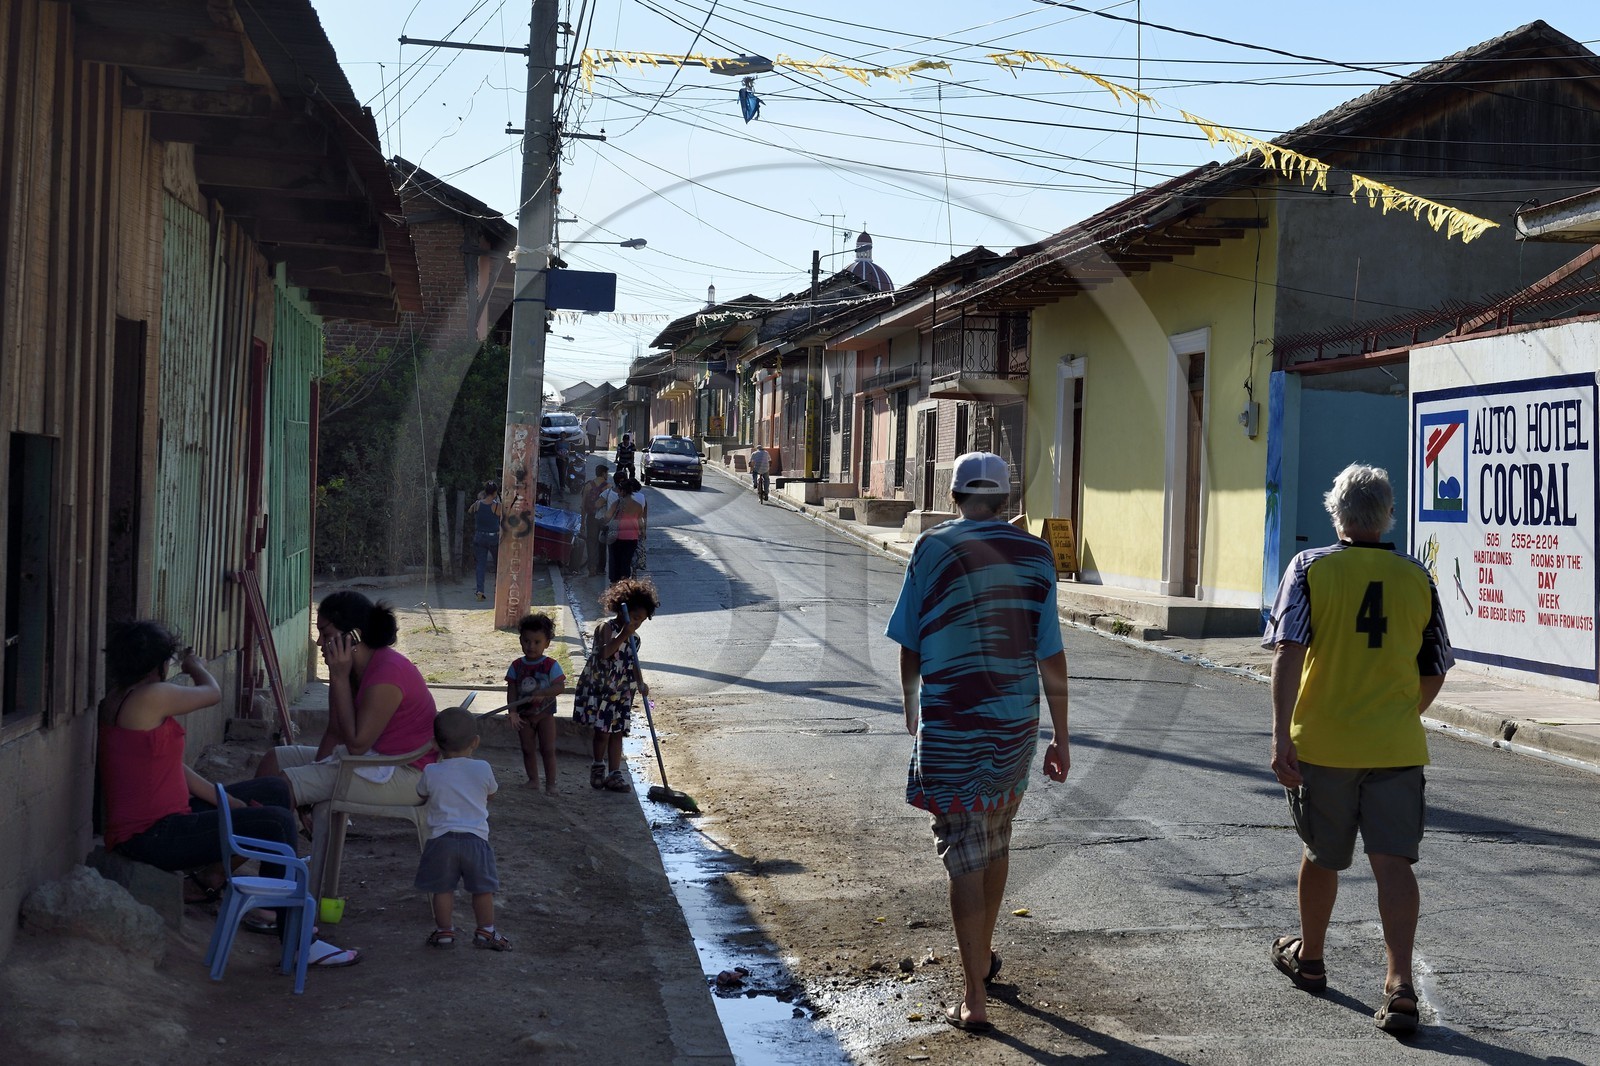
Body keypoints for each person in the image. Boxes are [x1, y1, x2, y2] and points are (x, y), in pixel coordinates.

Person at [1263, 463, 1453, 1036]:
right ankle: (1399, 985)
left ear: (1335, 513)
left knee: (1322, 854)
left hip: (1324, 743)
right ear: (1388, 514)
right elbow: (1436, 666)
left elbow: (1288, 653)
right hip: (1395, 744)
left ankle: (1312, 957)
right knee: (1394, 862)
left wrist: (1279, 734)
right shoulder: (1417, 576)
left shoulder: (1310, 569)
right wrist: (1399, 715)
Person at [885, 452, 1071, 1035]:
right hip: (1016, 721)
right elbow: (1051, 651)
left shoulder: (934, 548)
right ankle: (983, 960)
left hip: (953, 720)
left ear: (956, 494)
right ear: (1006, 498)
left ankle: (973, 996)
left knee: (965, 847)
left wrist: (912, 706)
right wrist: (1062, 736)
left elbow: (911, 642)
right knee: (995, 835)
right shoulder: (1037, 554)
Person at [99, 620, 360, 968]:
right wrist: (196, 668)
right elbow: (213, 693)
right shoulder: (150, 696)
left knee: (274, 790)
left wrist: (228, 800)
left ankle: (265, 906)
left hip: (168, 817)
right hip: (154, 834)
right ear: (160, 664)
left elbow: (172, 768)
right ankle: (297, 941)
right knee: (276, 823)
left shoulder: (121, 699)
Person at [257, 591, 439, 817]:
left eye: (326, 633)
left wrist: (340, 678)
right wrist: (314, 772)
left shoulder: (388, 674)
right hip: (375, 760)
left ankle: (257, 844)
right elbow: (335, 731)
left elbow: (356, 745)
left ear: (353, 637)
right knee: (274, 761)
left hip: (408, 773)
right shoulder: (352, 669)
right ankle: (255, 842)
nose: (319, 642)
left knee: (284, 786)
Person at [415, 707, 510, 951]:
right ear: (475, 742)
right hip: (475, 841)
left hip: (440, 841)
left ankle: (445, 932)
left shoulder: (431, 771)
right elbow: (491, 794)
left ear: (435, 743)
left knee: (443, 889)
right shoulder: (483, 768)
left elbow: (421, 794)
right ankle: (486, 931)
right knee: (482, 889)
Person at [572, 578, 658, 793]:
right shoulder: (607, 628)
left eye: (641, 621)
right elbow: (604, 653)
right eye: (635, 618)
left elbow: (632, 663)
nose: (636, 624)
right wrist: (624, 634)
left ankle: (614, 773)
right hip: (602, 687)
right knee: (602, 731)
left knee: (617, 731)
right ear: (623, 609)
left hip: (621, 691)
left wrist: (640, 682)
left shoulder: (635, 639)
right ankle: (598, 766)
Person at [505, 612, 566, 794]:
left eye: (537, 642)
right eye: (526, 641)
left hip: (545, 715)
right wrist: (513, 712)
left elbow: (559, 687)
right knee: (527, 748)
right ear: (520, 640)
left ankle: (551, 784)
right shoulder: (517, 666)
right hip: (524, 716)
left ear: (547, 643)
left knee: (548, 749)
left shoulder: (550, 665)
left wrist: (543, 693)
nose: (531, 646)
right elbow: (512, 690)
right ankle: (533, 780)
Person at [604, 476, 647, 583]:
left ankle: (615, 583)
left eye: (619, 491)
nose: (618, 493)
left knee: (615, 561)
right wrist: (642, 532)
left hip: (617, 537)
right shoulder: (638, 506)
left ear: (623, 491)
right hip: (632, 538)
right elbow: (640, 521)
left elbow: (607, 517)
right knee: (626, 561)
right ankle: (625, 583)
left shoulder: (617, 503)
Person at [469, 481, 500, 601]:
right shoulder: (497, 506)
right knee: (498, 565)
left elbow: (470, 511)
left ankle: (480, 591)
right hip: (493, 537)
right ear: (495, 492)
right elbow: (505, 517)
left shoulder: (477, 504)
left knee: (480, 565)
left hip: (479, 537)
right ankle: (498, 589)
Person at [582, 462, 612, 578]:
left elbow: (583, 505)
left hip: (591, 518)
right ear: (603, 473)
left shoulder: (588, 486)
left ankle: (592, 568)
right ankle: (601, 568)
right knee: (602, 543)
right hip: (604, 519)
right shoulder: (608, 487)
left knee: (591, 542)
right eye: (607, 473)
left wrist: (582, 523)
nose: (607, 475)